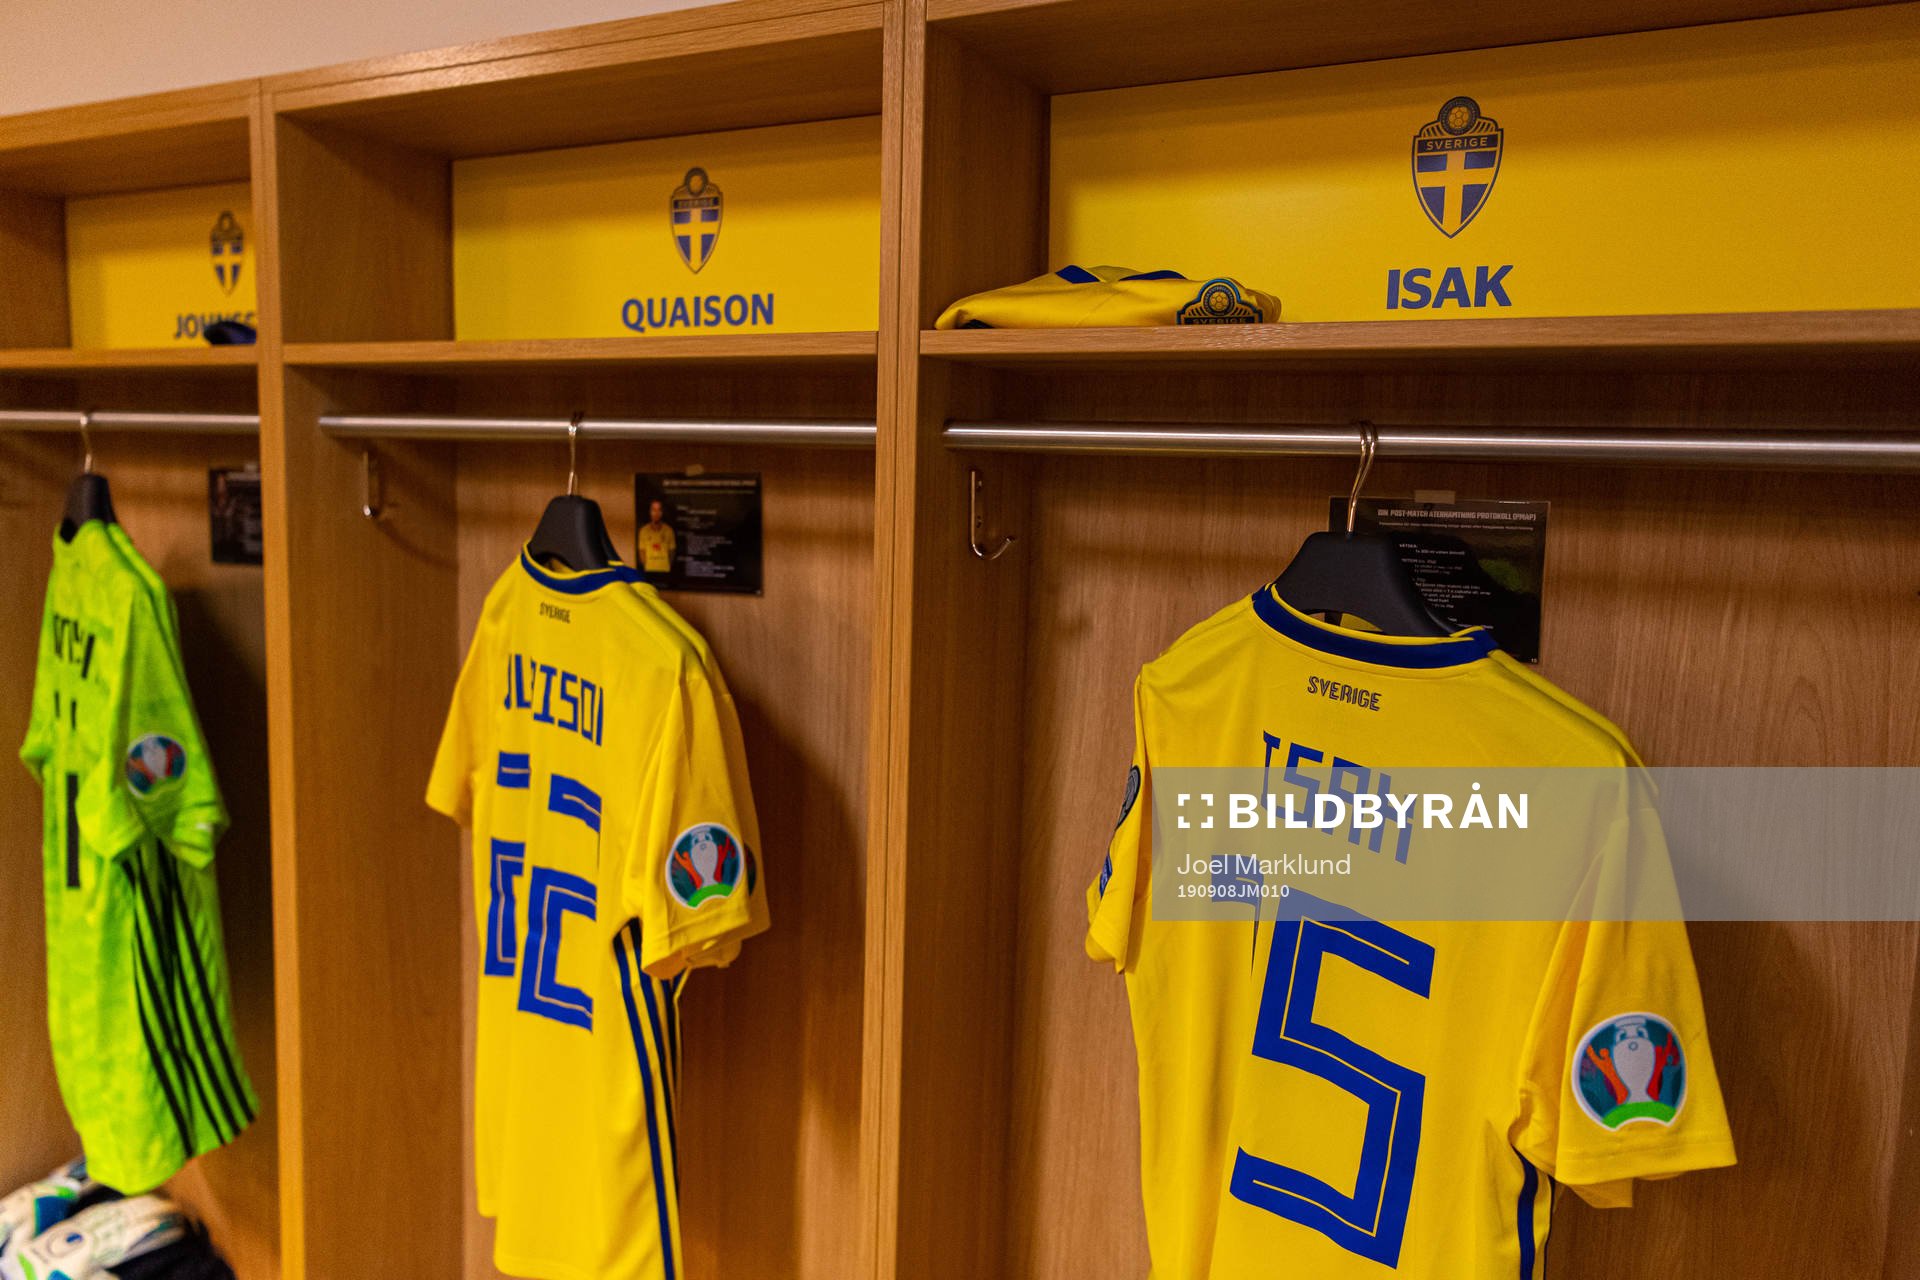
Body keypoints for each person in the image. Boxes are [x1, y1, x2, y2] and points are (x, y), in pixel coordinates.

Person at [638, 500, 676, 577]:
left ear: (662, 512)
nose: (656, 513)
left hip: (665, 572)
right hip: (649, 572)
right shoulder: (644, 531)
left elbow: (672, 552)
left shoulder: (669, 530)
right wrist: (646, 565)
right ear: (650, 512)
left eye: (659, 510)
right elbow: (641, 552)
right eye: (654, 510)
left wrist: (666, 564)